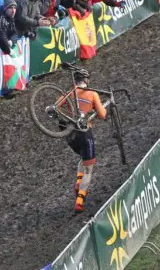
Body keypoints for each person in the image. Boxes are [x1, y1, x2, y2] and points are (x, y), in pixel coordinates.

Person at [54, 67, 106, 213]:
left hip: (70, 135)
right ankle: (80, 200)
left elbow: (54, 108)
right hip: (85, 133)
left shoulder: (69, 93)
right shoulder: (92, 94)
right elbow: (102, 115)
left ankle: (78, 183)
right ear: (86, 80)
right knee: (89, 167)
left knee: (82, 159)